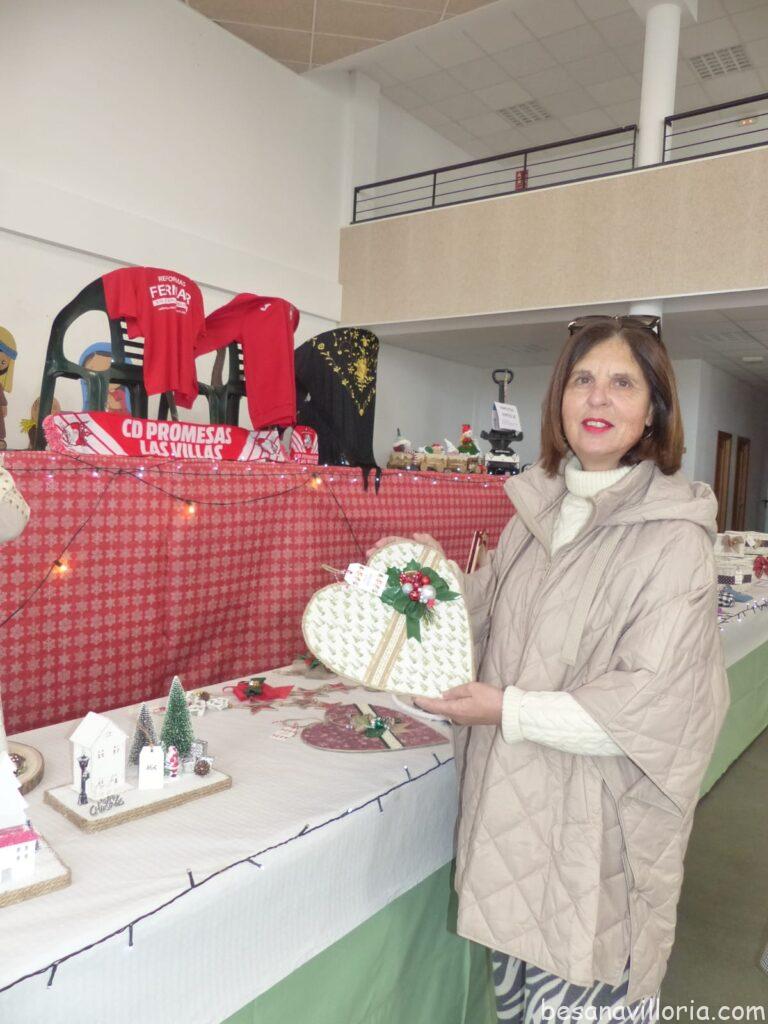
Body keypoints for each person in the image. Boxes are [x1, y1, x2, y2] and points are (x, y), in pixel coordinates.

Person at [386, 316, 729, 1021]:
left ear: (653, 412)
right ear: (559, 401)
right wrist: (434, 578)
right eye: (582, 380)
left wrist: (504, 710)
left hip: (591, 839)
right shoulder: (535, 513)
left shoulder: (674, 540)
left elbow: (653, 704)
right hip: (513, 822)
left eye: (623, 383)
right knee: (518, 1005)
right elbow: (490, 617)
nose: (598, 398)